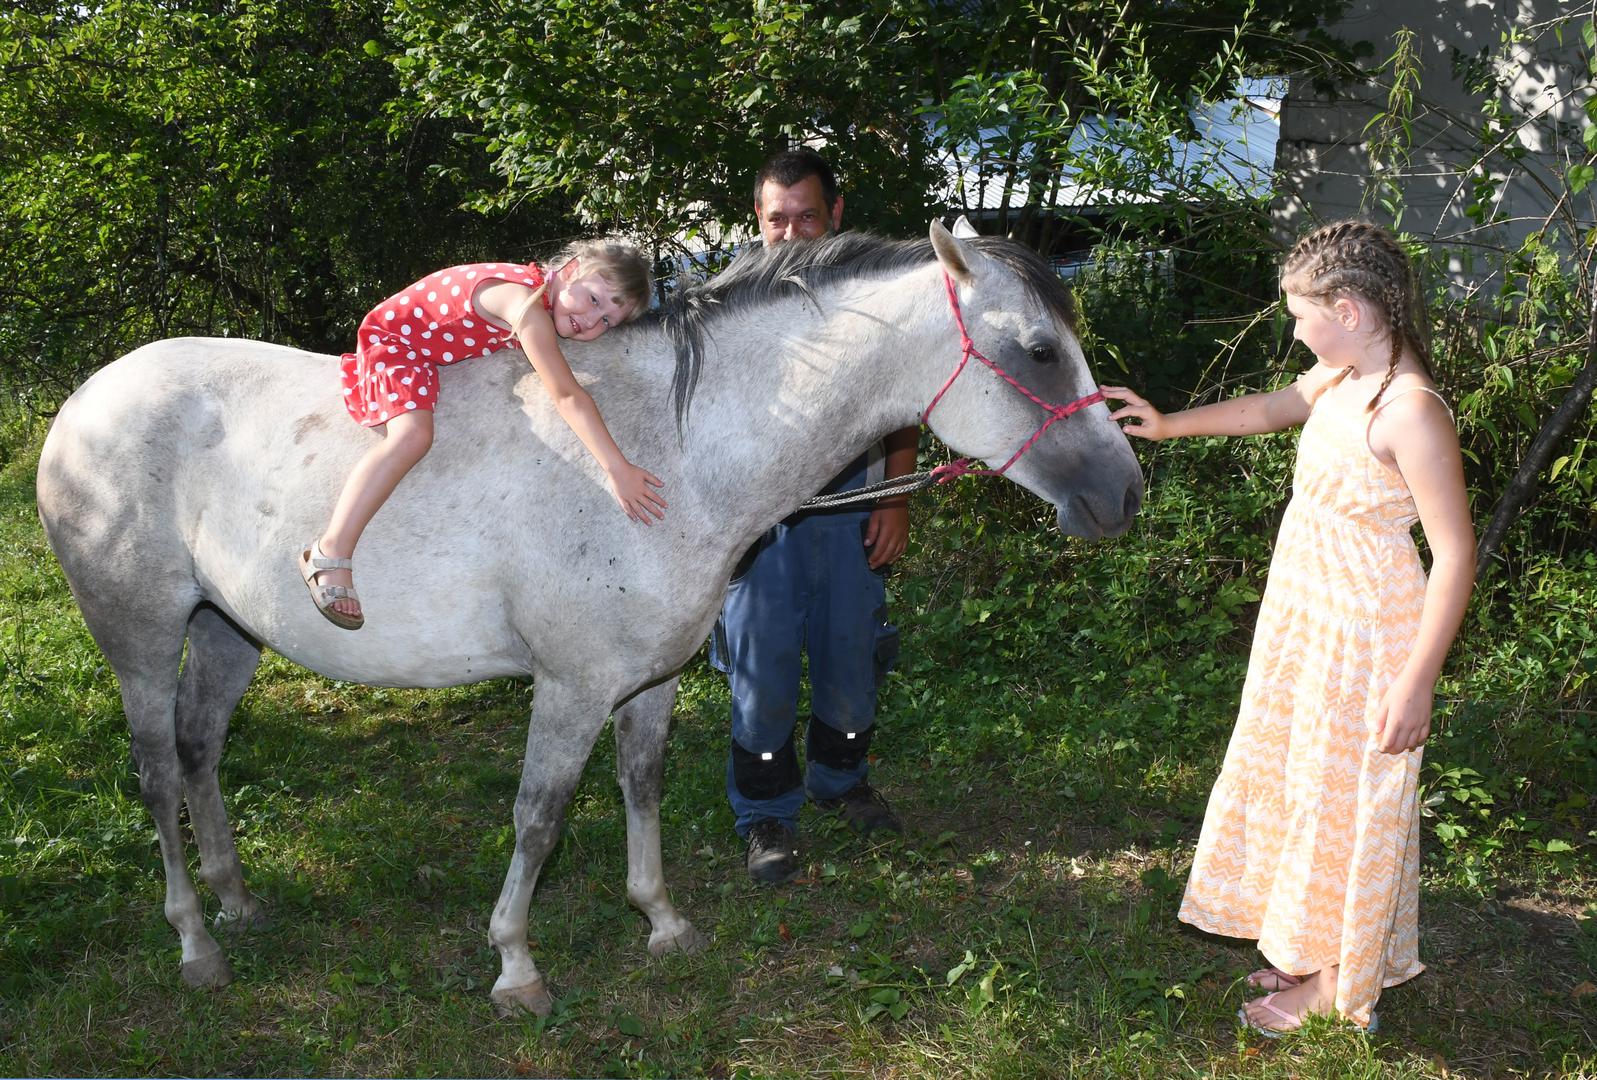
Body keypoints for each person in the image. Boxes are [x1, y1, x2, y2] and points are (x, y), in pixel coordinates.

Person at [1103, 219, 1474, 1034]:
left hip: (1366, 633)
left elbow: (1454, 556)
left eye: (1300, 314)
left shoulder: (1408, 411)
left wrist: (1415, 679)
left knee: (1349, 799)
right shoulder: (1337, 375)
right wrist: (1169, 424)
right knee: (1306, 783)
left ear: (1347, 308)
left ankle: (1341, 984)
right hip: (1308, 616)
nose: (1294, 329)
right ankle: (1313, 941)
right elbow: (1272, 407)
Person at [712, 147, 921, 884]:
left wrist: (894, 500)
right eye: (777, 219)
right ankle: (765, 814)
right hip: (756, 529)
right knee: (760, 676)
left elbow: (903, 411)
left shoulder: (875, 300)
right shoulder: (725, 304)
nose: (792, 232)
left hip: (851, 517)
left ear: (835, 215)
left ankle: (842, 782)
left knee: (850, 666)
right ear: (757, 221)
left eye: (807, 215)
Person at [300, 240, 664, 630]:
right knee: (412, 437)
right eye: (594, 299)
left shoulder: (541, 294)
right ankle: (330, 551)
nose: (592, 321)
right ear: (572, 269)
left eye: (607, 320)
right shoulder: (522, 303)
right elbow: (567, 394)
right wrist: (617, 468)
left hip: (425, 348)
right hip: (395, 342)